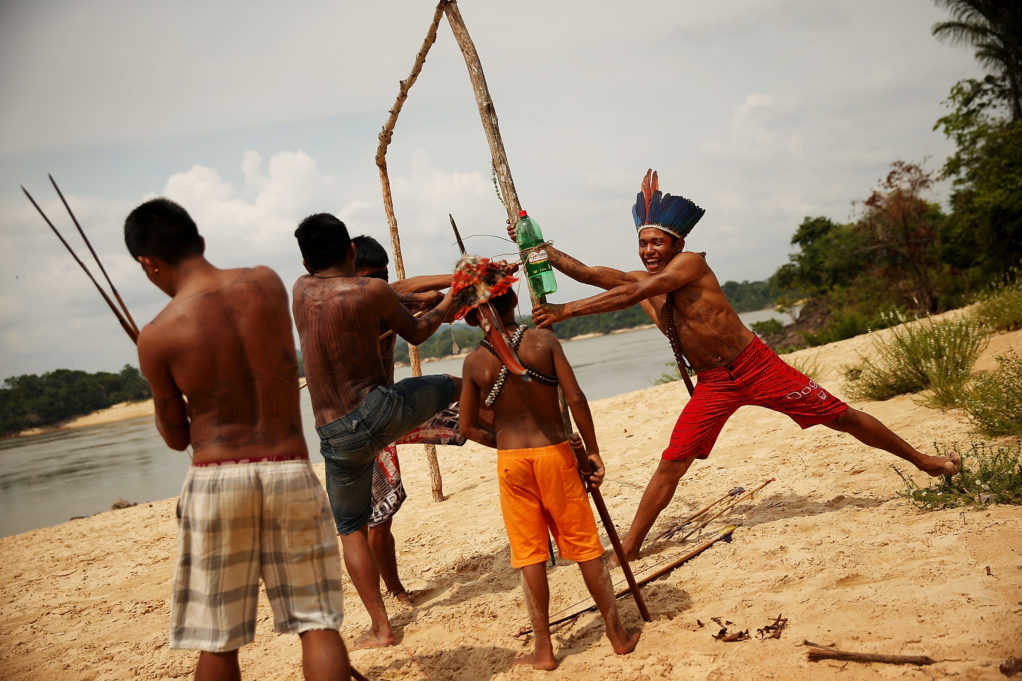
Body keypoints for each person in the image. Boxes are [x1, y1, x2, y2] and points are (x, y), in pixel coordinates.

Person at [522, 169, 962, 563]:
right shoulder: (642, 279)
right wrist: (538, 247)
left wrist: (566, 312)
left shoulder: (690, 265)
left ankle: (924, 461)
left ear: (677, 243)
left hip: (756, 366)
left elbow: (633, 293)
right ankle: (632, 545)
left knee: (841, 416)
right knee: (672, 462)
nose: (649, 250)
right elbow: (584, 271)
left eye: (657, 242)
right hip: (713, 383)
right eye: (642, 243)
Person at [125, 198, 349, 681]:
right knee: (318, 623)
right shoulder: (265, 282)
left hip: (217, 479)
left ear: (148, 263)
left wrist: (182, 402)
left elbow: (175, 436)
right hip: (288, 469)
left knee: (218, 639)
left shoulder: (157, 335)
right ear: (200, 241)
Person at [456, 255, 640, 670]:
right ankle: (617, 634)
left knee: (530, 556)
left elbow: (467, 427)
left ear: (472, 319)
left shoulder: (474, 363)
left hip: (511, 463)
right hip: (555, 456)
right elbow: (576, 399)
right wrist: (591, 451)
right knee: (586, 549)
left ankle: (544, 650)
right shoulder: (543, 342)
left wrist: (502, 442)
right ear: (514, 296)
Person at [292, 214, 460, 648]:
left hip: (334, 434)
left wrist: (439, 292)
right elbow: (420, 332)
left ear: (306, 261)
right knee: (457, 385)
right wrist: (455, 296)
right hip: (378, 410)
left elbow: (402, 293)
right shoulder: (372, 292)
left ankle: (381, 627)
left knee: (350, 529)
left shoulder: (300, 291)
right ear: (350, 251)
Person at [352, 234, 454, 605]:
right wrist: (452, 293)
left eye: (382, 275)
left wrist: (458, 278)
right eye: (370, 276)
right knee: (379, 518)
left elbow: (411, 287)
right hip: (365, 420)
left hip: (394, 405)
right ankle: (394, 591)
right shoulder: (353, 305)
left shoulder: (382, 292)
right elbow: (418, 298)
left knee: (464, 403)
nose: (377, 283)